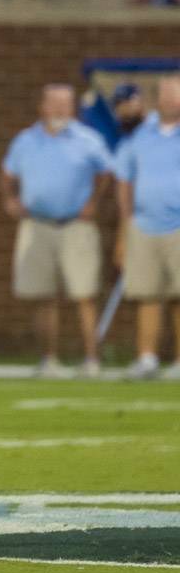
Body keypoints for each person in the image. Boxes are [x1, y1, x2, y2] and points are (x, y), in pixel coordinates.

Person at [1, 84, 113, 377]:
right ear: (42, 107)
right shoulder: (25, 140)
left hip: (76, 225)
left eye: (67, 104)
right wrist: (10, 200)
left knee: (84, 294)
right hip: (36, 225)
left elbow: (106, 172)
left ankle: (92, 360)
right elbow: (7, 173)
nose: (62, 110)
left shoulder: (88, 140)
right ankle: (48, 360)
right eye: (56, 104)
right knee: (42, 295)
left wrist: (92, 203)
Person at [115, 76, 180, 379]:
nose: (170, 100)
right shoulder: (140, 135)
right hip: (144, 224)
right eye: (165, 95)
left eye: (175, 95)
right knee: (147, 295)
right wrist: (127, 223)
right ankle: (147, 358)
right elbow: (125, 179)